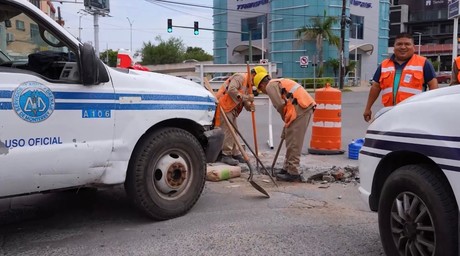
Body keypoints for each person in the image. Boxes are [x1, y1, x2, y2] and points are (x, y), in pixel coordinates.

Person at [254, 73, 316, 182]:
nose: (264, 92)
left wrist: (286, 119)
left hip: (300, 107)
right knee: (290, 138)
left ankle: (293, 172)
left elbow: (279, 105)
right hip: (301, 106)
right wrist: (287, 123)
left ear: (262, 85)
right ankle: (287, 168)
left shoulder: (269, 86)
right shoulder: (278, 82)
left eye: (261, 90)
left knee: (294, 141)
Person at [363, 32, 438, 122]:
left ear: (413, 47)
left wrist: (432, 108)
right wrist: (368, 108)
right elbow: (375, 87)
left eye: (407, 44)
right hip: (390, 112)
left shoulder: (423, 63)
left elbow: (433, 87)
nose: (403, 47)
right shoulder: (384, 65)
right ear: (394, 47)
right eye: (399, 44)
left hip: (415, 113)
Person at [215, 66, 267, 166]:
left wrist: (249, 106)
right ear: (254, 75)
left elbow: (243, 100)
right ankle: (226, 155)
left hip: (232, 108)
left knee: (234, 131)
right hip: (224, 106)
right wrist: (247, 97)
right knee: (228, 131)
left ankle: (235, 153)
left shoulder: (248, 86)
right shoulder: (240, 77)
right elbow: (231, 90)